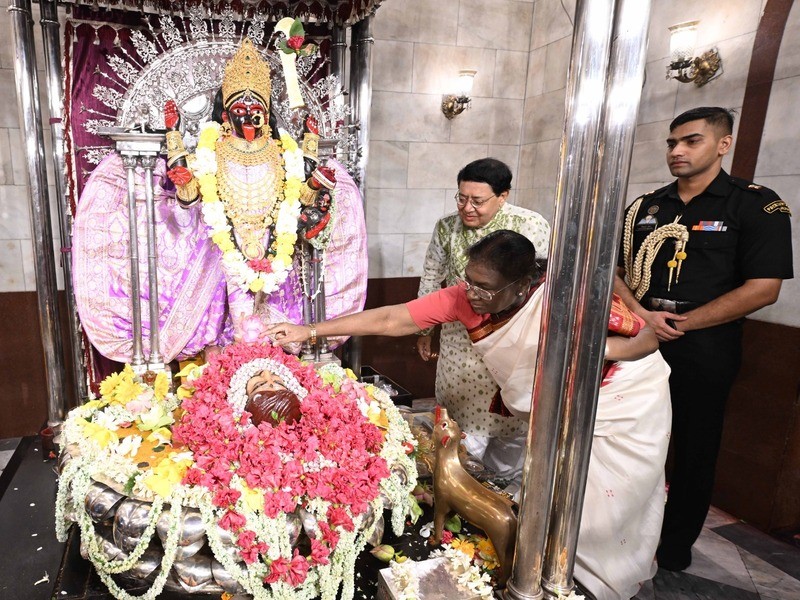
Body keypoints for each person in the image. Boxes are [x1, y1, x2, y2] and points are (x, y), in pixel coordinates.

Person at [269, 230, 672, 600]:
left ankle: (594, 579)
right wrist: (310, 331)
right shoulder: (466, 296)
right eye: (469, 281)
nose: (473, 294)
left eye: (486, 288)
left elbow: (646, 337)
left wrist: (592, 352)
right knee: (555, 489)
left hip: (622, 397)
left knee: (606, 501)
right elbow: (395, 317)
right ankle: (552, 567)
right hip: (563, 407)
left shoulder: (563, 297)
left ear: (522, 285)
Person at [614, 106, 793, 572]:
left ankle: (673, 546)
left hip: (705, 346)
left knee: (694, 448)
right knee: (628, 437)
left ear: (723, 144)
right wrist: (641, 315)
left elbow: (763, 288)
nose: (677, 151)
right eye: (672, 142)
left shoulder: (755, 204)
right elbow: (615, 272)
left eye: (691, 141)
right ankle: (619, 530)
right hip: (639, 336)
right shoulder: (646, 206)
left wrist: (684, 325)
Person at [416, 158, 550, 482]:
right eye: (461, 198)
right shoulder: (446, 227)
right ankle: (460, 494)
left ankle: (502, 498)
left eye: (478, 200)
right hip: (458, 347)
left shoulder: (531, 225)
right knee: (460, 440)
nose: (467, 207)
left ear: (502, 196)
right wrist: (425, 329)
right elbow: (432, 275)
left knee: (510, 435)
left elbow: (544, 286)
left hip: (511, 343)